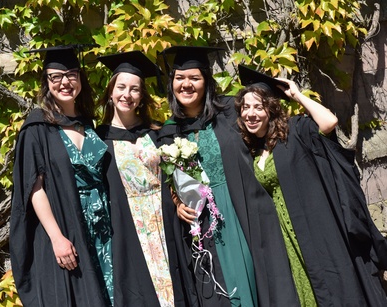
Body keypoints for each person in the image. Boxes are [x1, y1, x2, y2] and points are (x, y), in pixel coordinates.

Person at [234, 64, 387, 306]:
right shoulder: (250, 150)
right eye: (245, 107)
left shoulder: (296, 131)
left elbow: (328, 122)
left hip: (315, 232)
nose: (250, 113)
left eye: (258, 107)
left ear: (271, 109)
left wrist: (297, 95)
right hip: (282, 239)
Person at [158, 46, 269, 307]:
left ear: (206, 80)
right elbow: (170, 181)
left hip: (242, 211)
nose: (186, 85)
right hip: (203, 224)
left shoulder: (232, 111)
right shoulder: (168, 132)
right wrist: (178, 203)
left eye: (194, 78)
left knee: (253, 282)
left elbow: (269, 135)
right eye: (179, 78)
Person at [9, 45, 113, 306]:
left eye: (71, 74)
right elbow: (35, 189)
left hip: (103, 230)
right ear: (46, 82)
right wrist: (57, 238)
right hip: (67, 227)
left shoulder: (87, 124)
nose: (65, 82)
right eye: (56, 76)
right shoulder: (36, 128)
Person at [96, 50, 196, 307]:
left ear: (142, 96)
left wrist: (179, 200)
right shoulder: (98, 139)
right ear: (110, 91)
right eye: (121, 87)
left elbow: (176, 178)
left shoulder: (158, 133)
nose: (126, 95)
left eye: (135, 89)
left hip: (166, 223)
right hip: (127, 227)